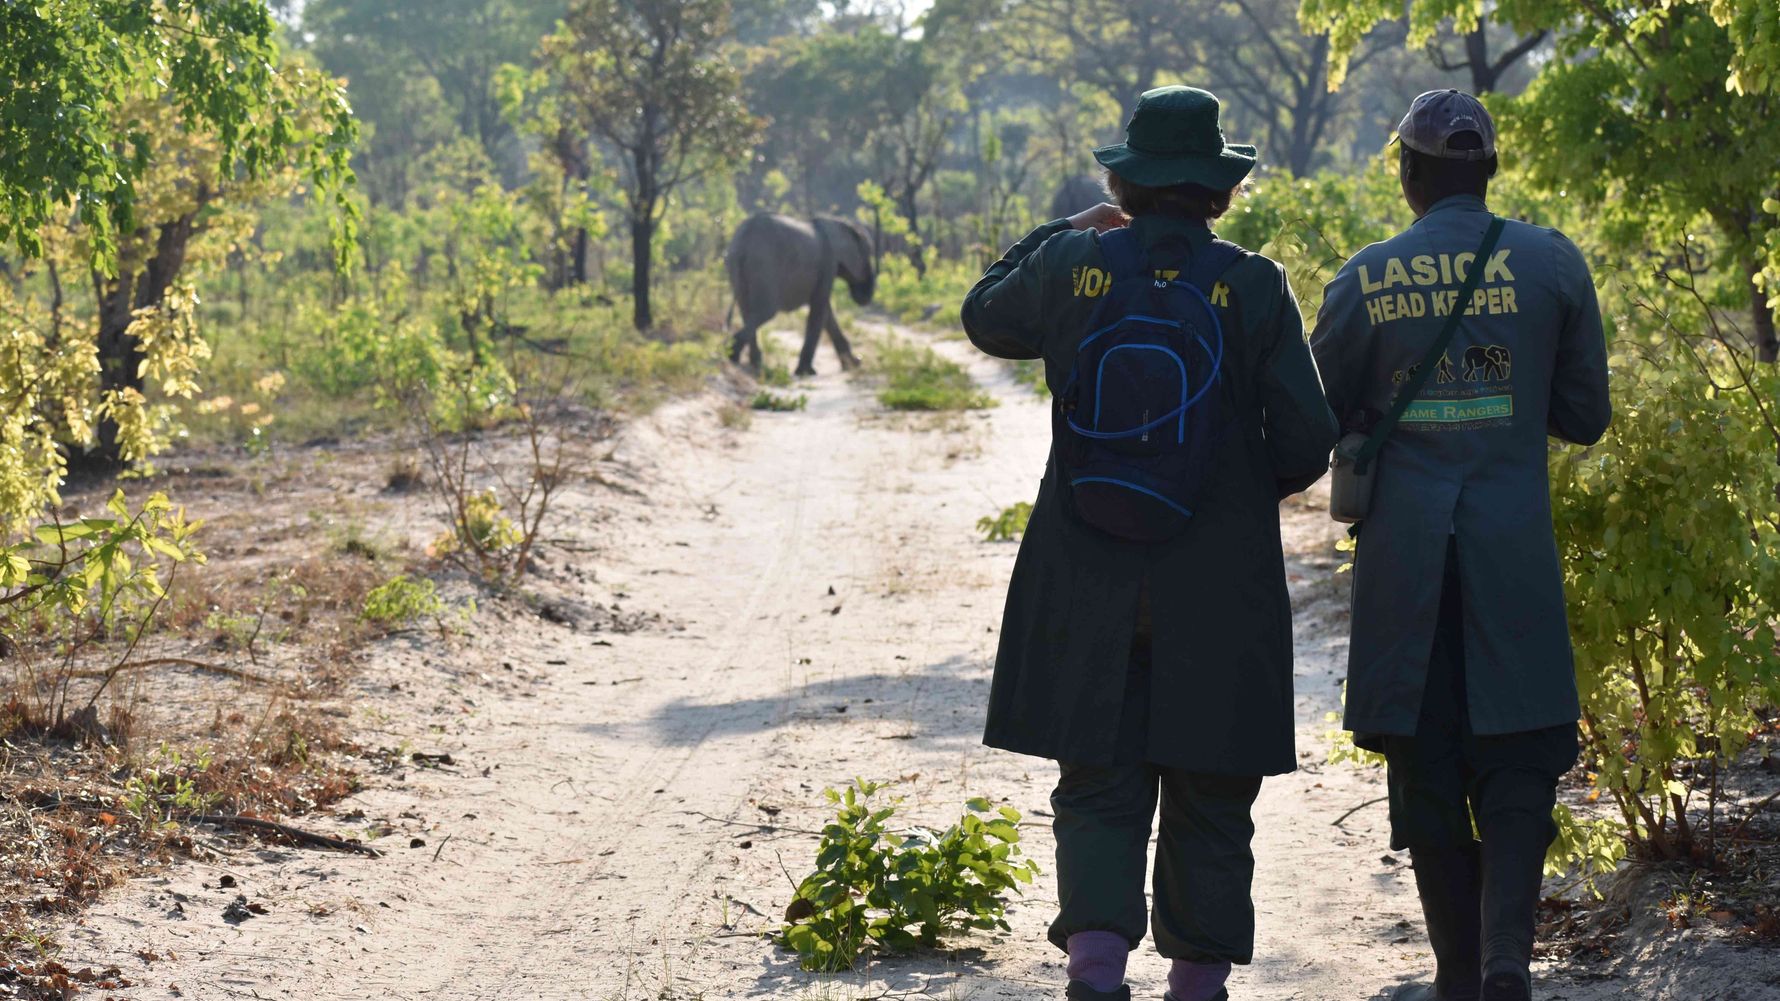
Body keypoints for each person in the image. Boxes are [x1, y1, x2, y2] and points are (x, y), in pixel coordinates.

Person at [961, 85, 1338, 1001]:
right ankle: (1196, 985)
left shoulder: (1073, 266)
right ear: (1220, 189)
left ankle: (1095, 975)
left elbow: (983, 314)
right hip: (1220, 581)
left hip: (1084, 569)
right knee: (1213, 783)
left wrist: (1064, 231)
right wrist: (1227, 492)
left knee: (1097, 779)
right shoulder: (1253, 283)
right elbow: (1307, 439)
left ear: (1123, 184)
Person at [1308, 90, 1612, 1001]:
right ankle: (1507, 957)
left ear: (1408, 173)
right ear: (1490, 170)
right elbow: (1585, 416)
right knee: (1519, 754)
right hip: (1511, 554)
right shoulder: (1551, 262)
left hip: (1407, 569)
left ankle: (1456, 973)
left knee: (1428, 759)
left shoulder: (1365, 278)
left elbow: (1312, 419)